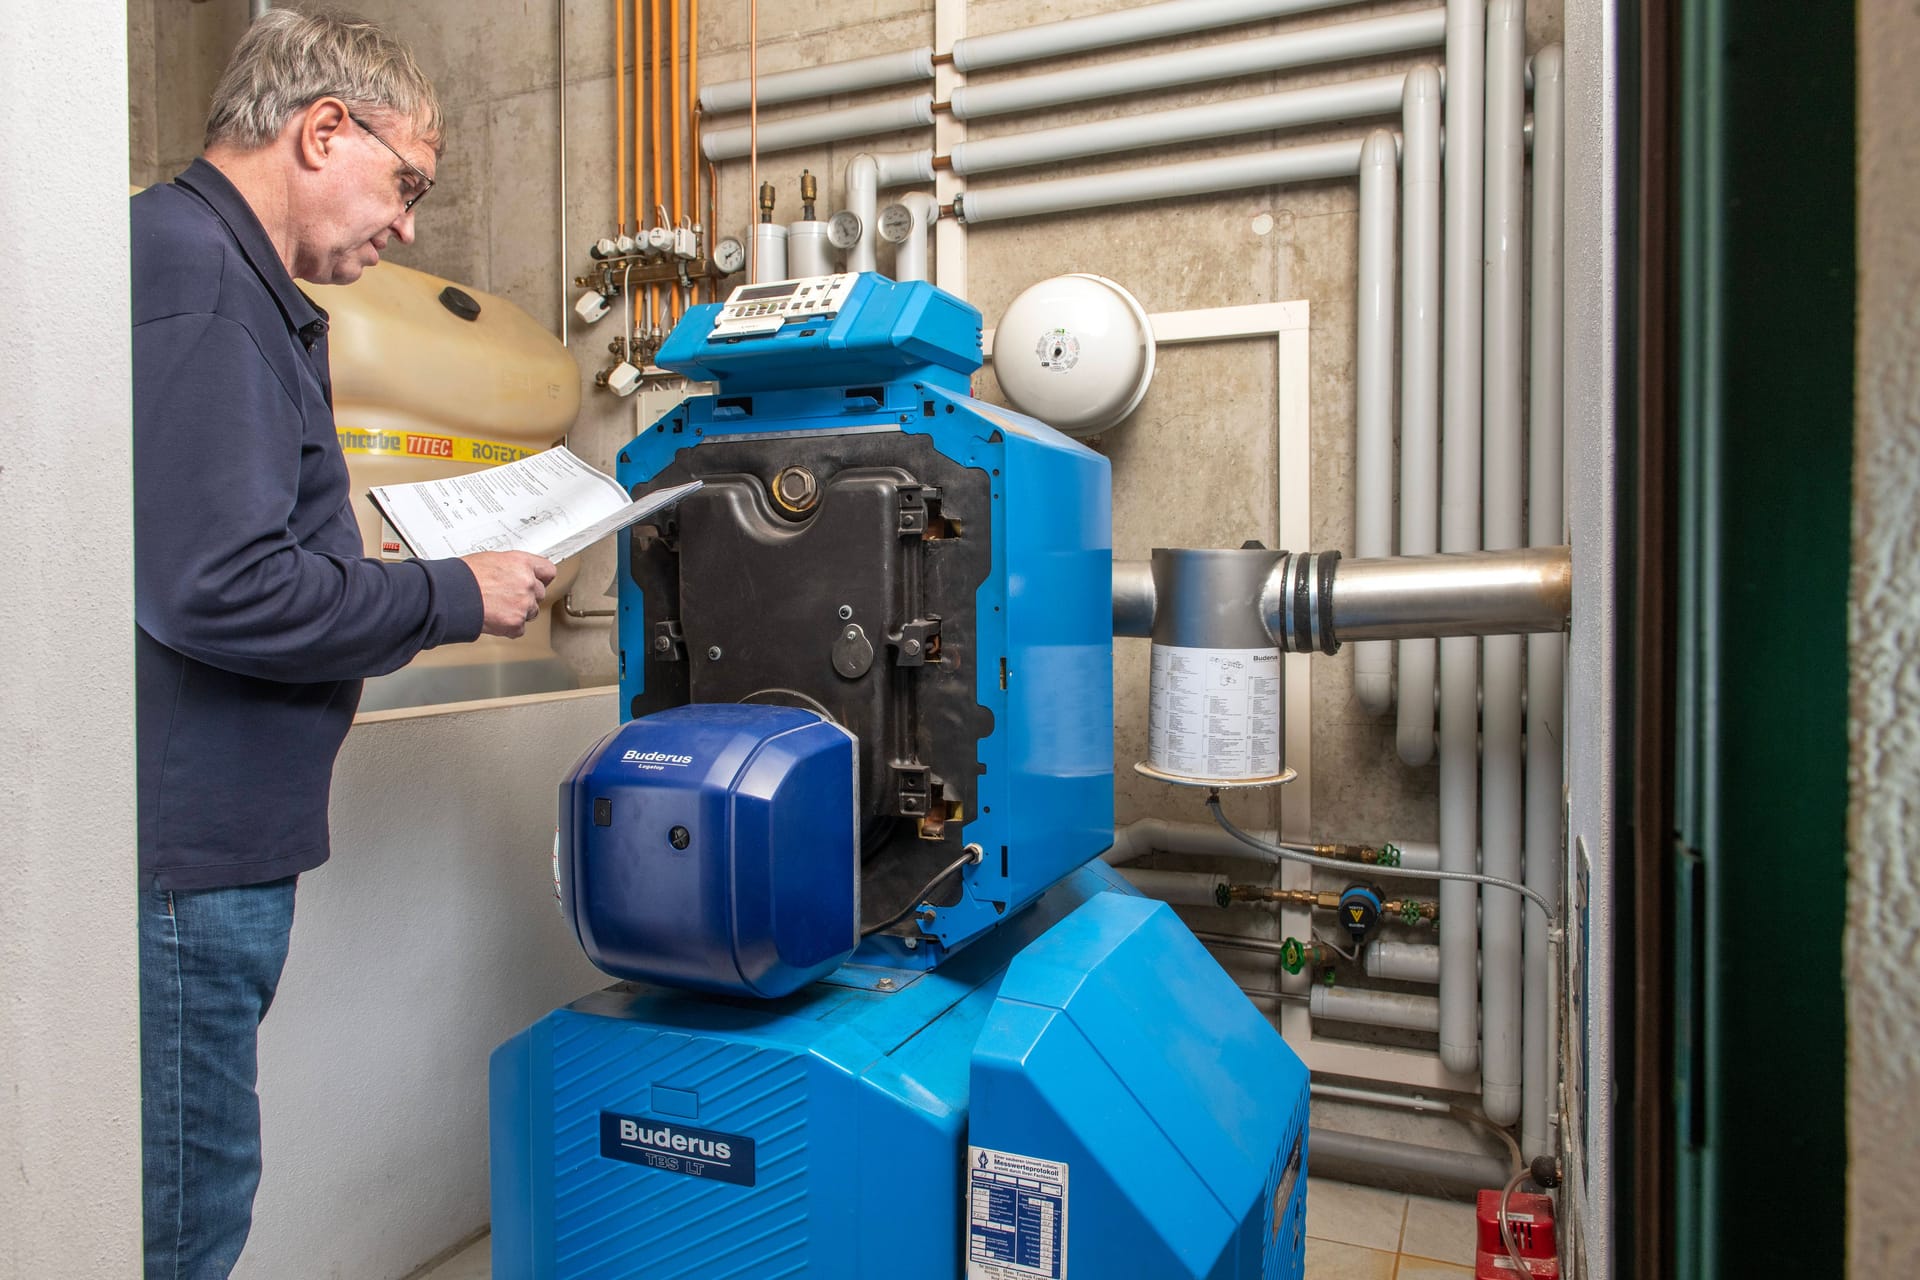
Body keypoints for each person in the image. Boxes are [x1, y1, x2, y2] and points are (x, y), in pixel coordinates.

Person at [131, 12, 554, 1277]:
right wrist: (445, 595)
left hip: (210, 844)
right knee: (182, 1214)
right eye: (407, 182)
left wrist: (373, 582)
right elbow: (214, 589)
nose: (410, 224)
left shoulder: (228, 280)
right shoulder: (202, 273)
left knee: (187, 1188)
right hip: (183, 862)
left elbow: (219, 558)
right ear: (324, 130)